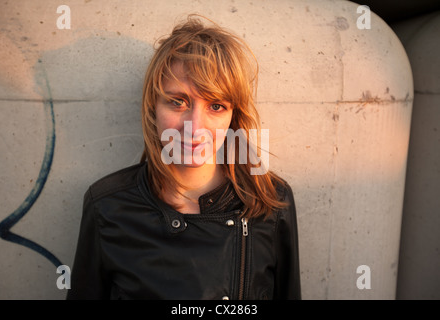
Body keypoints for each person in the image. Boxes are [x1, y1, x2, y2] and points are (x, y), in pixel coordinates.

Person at [67, 14, 301, 300]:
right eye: (177, 102)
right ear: (152, 108)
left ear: (233, 117)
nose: (195, 126)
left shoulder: (270, 201)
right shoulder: (107, 205)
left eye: (216, 106)